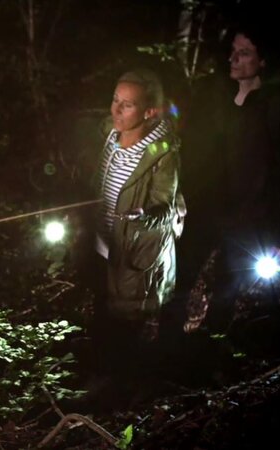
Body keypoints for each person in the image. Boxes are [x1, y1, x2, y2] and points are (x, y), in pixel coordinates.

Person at [181, 24, 280, 333]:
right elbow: (194, 150)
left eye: (244, 53)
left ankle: (211, 350)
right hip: (206, 207)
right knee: (181, 277)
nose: (234, 59)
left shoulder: (277, 109)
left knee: (228, 287)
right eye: (233, 52)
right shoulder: (213, 97)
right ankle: (170, 346)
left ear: (262, 61)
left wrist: (278, 231)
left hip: (249, 216)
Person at [92, 69, 181, 380]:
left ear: (149, 111)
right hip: (103, 247)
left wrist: (142, 218)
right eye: (115, 100)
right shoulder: (109, 136)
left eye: (127, 104)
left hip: (133, 252)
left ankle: (123, 394)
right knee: (102, 321)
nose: (116, 109)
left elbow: (165, 208)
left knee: (125, 329)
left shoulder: (161, 154)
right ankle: (102, 380)